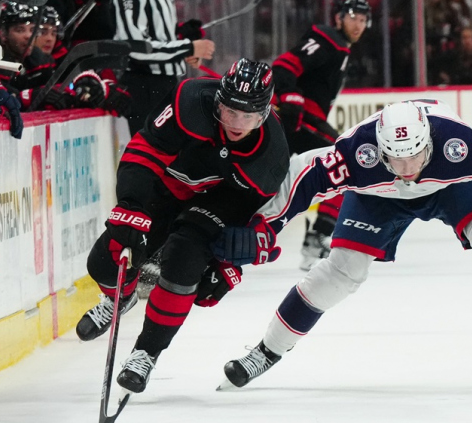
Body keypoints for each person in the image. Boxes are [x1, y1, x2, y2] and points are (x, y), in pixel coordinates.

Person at [211, 100, 472, 390]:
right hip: (380, 196)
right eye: (396, 159)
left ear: (429, 140)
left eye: (414, 155)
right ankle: (265, 351)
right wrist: (265, 227)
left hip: (453, 186)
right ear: (379, 150)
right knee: (341, 273)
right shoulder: (355, 154)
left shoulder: (457, 145)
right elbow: (301, 178)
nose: (408, 169)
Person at [73, 59, 290, 394]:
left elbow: (249, 214)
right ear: (218, 100)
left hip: (214, 204)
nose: (236, 123)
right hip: (165, 188)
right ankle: (123, 295)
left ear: (264, 114)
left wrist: (225, 263)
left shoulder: (271, 155)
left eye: (247, 116)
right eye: (230, 111)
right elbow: (145, 151)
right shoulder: (190, 99)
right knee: (103, 262)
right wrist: (130, 205)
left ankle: (146, 352)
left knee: (184, 263)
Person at [271, 0, 370, 271]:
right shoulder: (328, 38)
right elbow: (282, 66)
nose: (358, 24)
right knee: (347, 162)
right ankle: (318, 237)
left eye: (363, 20)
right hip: (299, 120)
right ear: (338, 18)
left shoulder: (341, 48)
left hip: (300, 123)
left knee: (266, 183)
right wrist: (290, 96)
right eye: (353, 17)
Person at [113, 0, 216, 135]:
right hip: (144, 87)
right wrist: (187, 48)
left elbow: (159, 34)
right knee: (149, 151)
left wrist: (183, 38)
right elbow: (134, 47)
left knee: (173, 151)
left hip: (165, 85)